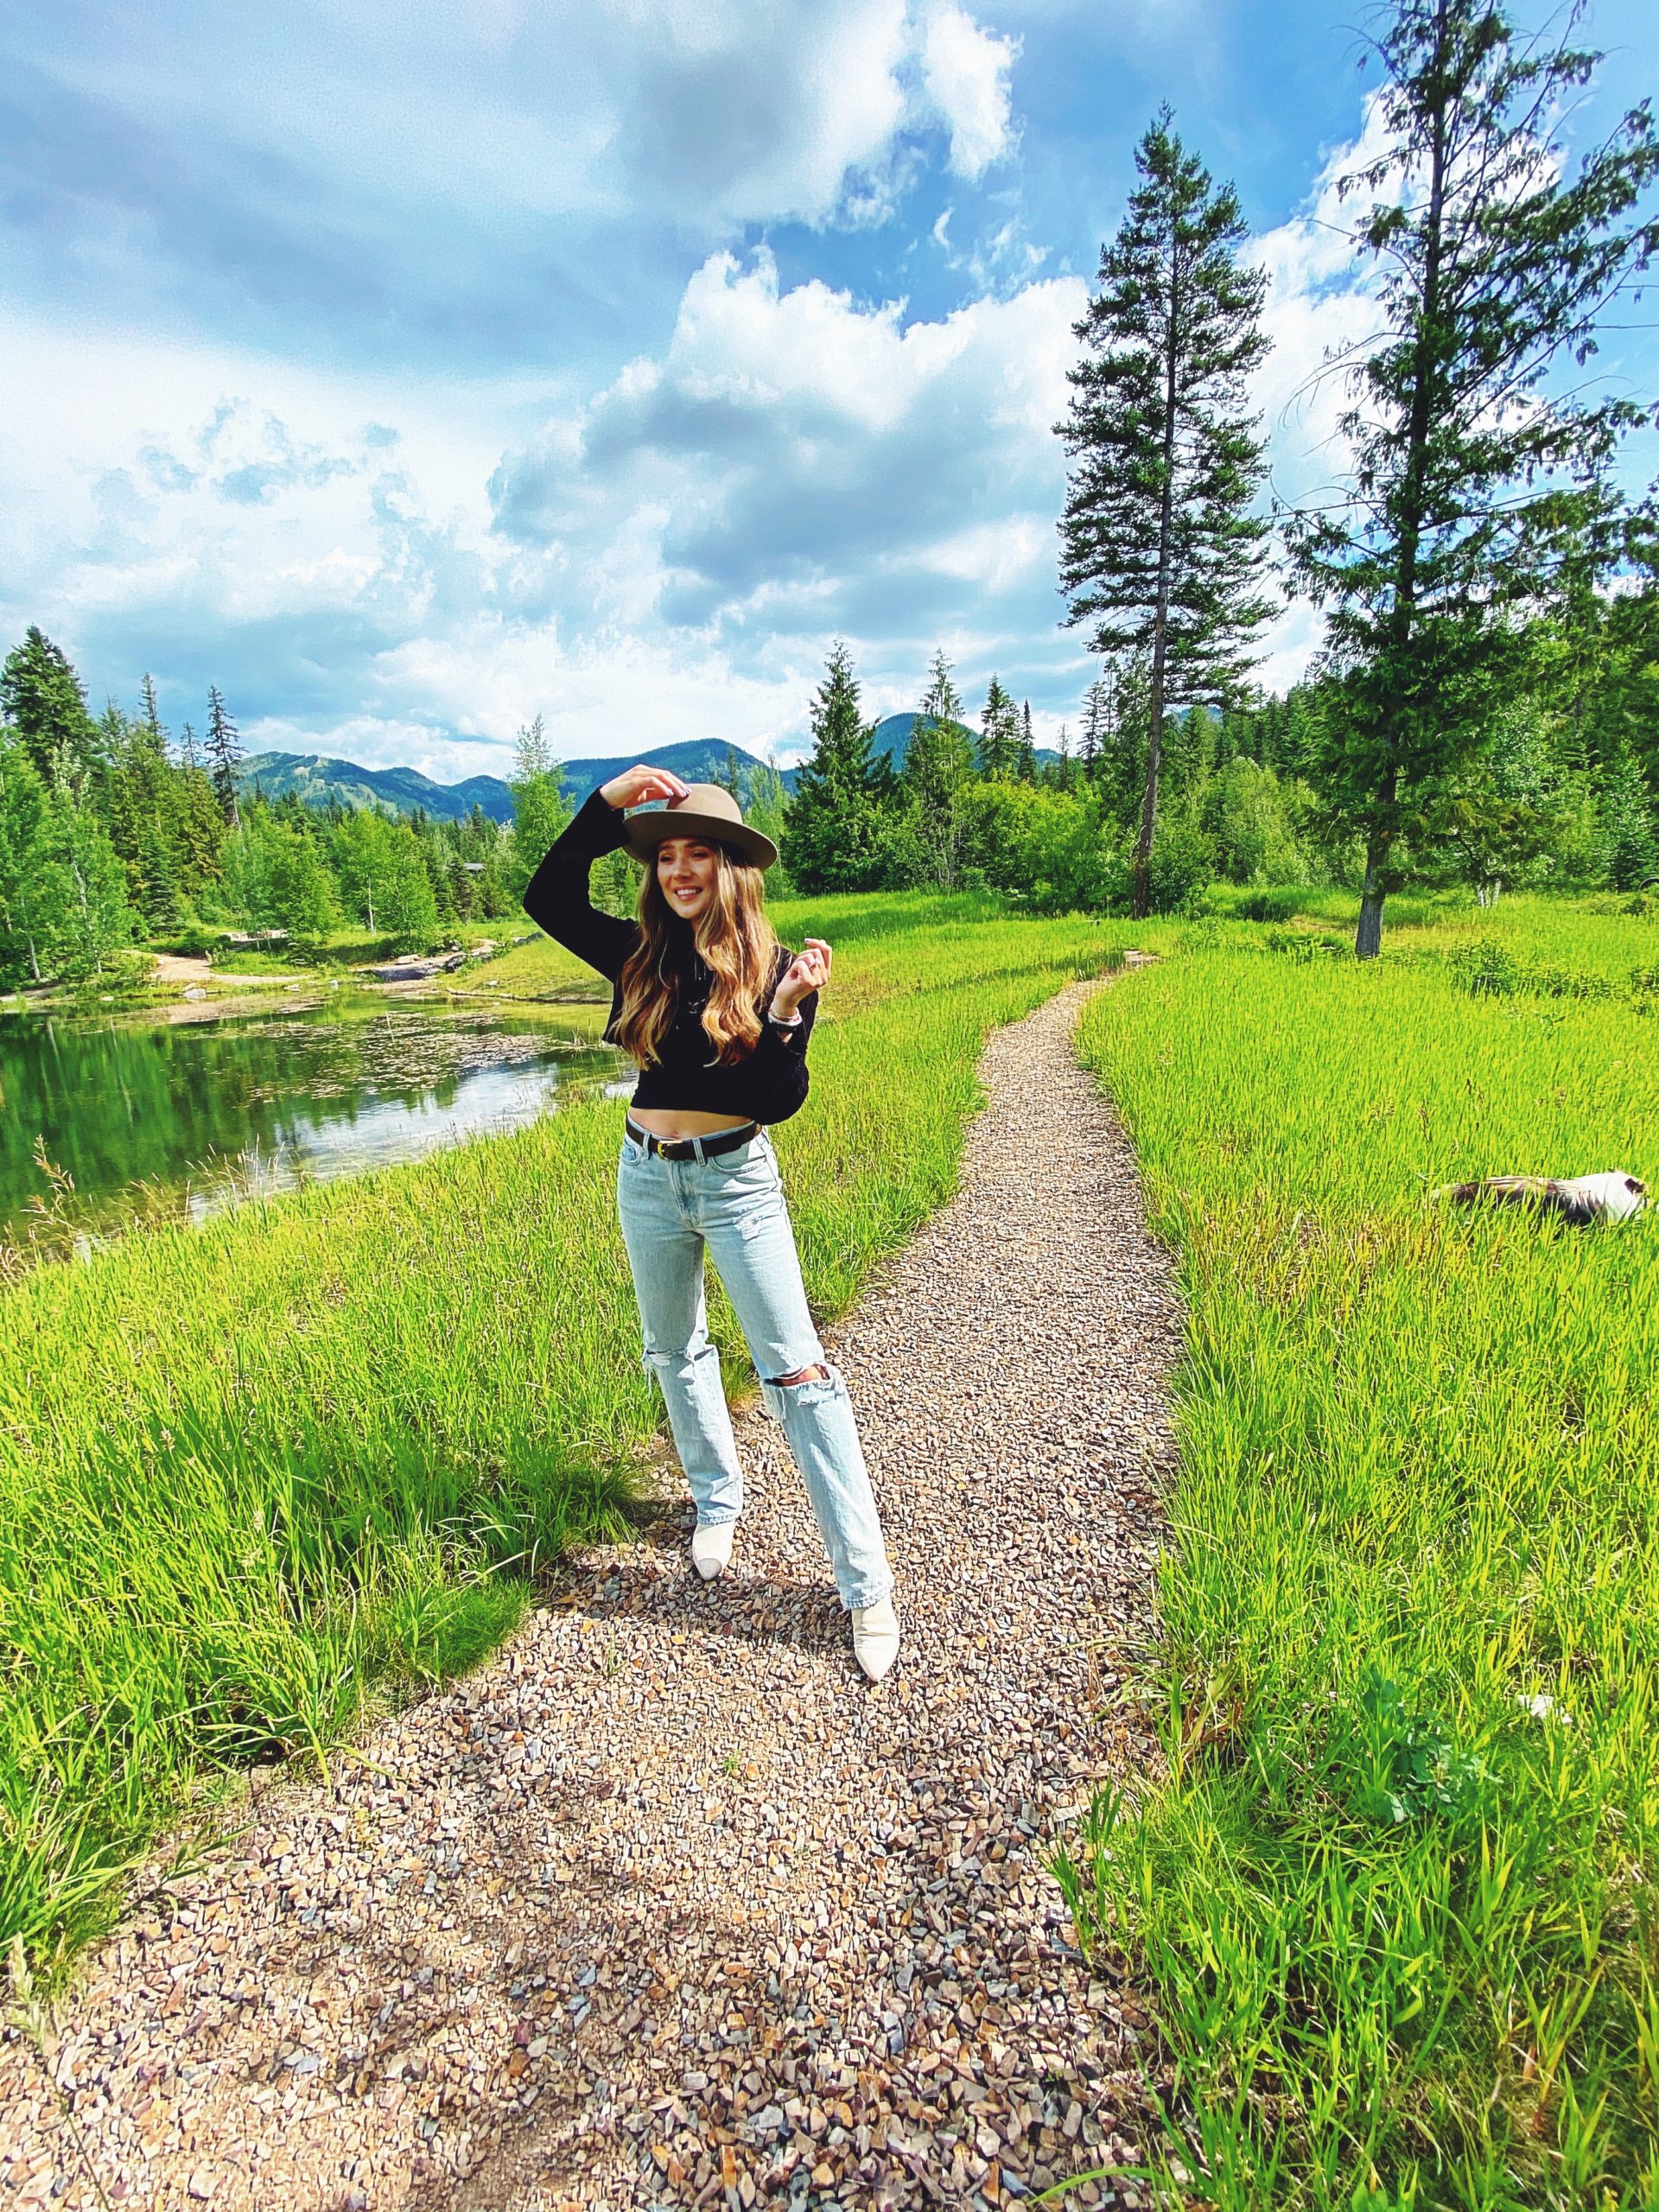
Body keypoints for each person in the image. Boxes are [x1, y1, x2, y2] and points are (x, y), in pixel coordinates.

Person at [522, 764, 900, 1682]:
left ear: (733, 868)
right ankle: (716, 1499)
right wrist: (608, 804)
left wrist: (778, 1016)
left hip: (735, 1182)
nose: (680, 871)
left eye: (700, 855)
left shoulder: (777, 969)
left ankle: (865, 1584)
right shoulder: (636, 954)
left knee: (799, 1372)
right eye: (667, 857)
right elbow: (545, 894)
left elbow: (777, 1099)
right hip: (645, 1175)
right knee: (675, 1350)